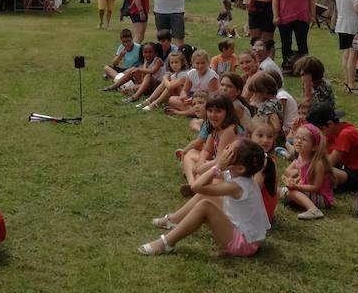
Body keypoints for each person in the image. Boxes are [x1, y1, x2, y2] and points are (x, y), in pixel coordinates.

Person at [139, 139, 270, 256]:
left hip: (245, 244)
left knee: (205, 206)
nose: (225, 150)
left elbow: (196, 186)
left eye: (229, 151)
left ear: (240, 168)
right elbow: (199, 171)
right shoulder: (236, 174)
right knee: (206, 194)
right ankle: (173, 220)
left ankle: (166, 243)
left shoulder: (238, 185)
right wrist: (218, 161)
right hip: (243, 230)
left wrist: (218, 167)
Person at [307, 102, 358, 191]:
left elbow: (328, 164)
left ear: (330, 124)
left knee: (322, 172)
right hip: (347, 168)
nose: (318, 134)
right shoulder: (333, 131)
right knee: (313, 166)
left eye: (319, 130)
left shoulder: (346, 134)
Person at [279, 123, 333, 220]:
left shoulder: (317, 164)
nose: (299, 141)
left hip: (322, 198)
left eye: (304, 139)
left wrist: (297, 186)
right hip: (307, 191)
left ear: (314, 147)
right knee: (281, 191)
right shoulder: (300, 157)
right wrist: (295, 180)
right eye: (297, 137)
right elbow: (302, 176)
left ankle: (313, 210)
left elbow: (316, 187)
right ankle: (297, 199)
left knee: (291, 192)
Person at [271, 0, 314, 69]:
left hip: (302, 17)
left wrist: (312, 15)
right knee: (286, 43)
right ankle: (287, 65)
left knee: (302, 43)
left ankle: (305, 66)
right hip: (284, 18)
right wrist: (276, 16)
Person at [167, 49, 219, 115]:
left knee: (204, 106)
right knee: (172, 99)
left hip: (206, 100)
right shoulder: (191, 73)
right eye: (197, 63)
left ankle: (180, 112)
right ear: (193, 63)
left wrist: (194, 99)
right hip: (193, 99)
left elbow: (213, 97)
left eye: (203, 63)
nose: (200, 66)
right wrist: (183, 96)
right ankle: (195, 112)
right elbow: (185, 90)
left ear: (208, 63)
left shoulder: (212, 76)